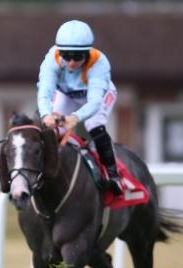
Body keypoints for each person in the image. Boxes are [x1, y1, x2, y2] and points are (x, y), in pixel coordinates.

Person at [37, 20, 123, 195]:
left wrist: (75, 118)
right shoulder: (51, 60)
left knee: (94, 125)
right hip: (68, 95)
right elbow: (44, 93)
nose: (71, 62)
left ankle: (113, 175)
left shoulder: (99, 63)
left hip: (97, 97)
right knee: (51, 129)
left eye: (77, 56)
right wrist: (46, 115)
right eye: (66, 56)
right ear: (59, 52)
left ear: (87, 53)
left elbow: (94, 102)